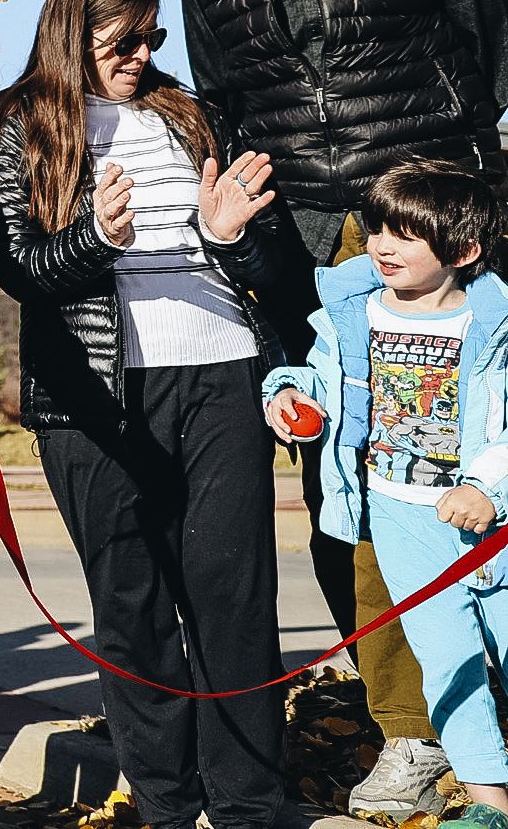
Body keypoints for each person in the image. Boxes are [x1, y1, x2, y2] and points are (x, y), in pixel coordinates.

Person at [181, 0, 508, 819]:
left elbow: (491, 47)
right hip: (311, 249)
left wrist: (482, 208)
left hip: (431, 221)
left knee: (487, 457)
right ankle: (410, 728)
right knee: (357, 493)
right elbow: (225, 102)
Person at [0, 0, 292, 829]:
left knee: (233, 596)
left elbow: (269, 263)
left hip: (222, 370)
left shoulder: (190, 115)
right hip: (94, 396)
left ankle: (251, 805)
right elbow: (21, 271)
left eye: (154, 37)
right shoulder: (21, 124)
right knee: (133, 604)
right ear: (74, 31)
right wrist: (95, 240)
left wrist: (228, 237)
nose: (144, 54)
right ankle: (163, 801)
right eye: (126, 38)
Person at [266, 160, 508, 829]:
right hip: (398, 518)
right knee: (445, 664)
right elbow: (317, 378)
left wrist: (489, 489)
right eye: (376, 229)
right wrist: (291, 399)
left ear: (463, 251)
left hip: (491, 524)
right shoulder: (352, 314)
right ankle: (492, 807)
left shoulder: (494, 325)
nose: (381, 246)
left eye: (404, 235)